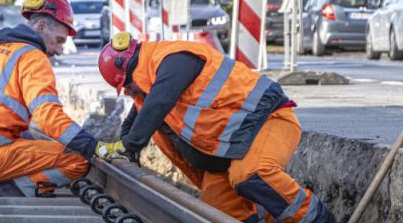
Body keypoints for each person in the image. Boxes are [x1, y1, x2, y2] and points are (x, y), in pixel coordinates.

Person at [97, 32, 336, 222]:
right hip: (226, 156)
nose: (129, 93)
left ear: (129, 70)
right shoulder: (151, 86)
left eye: (127, 86)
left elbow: (157, 103)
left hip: (269, 122)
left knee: (251, 174)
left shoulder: (173, 59)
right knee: (213, 213)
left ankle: (318, 219)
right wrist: (122, 151)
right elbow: (135, 120)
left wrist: (130, 145)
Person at [0, 0, 116, 197]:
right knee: (77, 159)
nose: (59, 50)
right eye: (58, 40)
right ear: (41, 27)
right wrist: (93, 146)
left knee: (27, 138)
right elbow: (49, 117)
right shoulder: (33, 57)